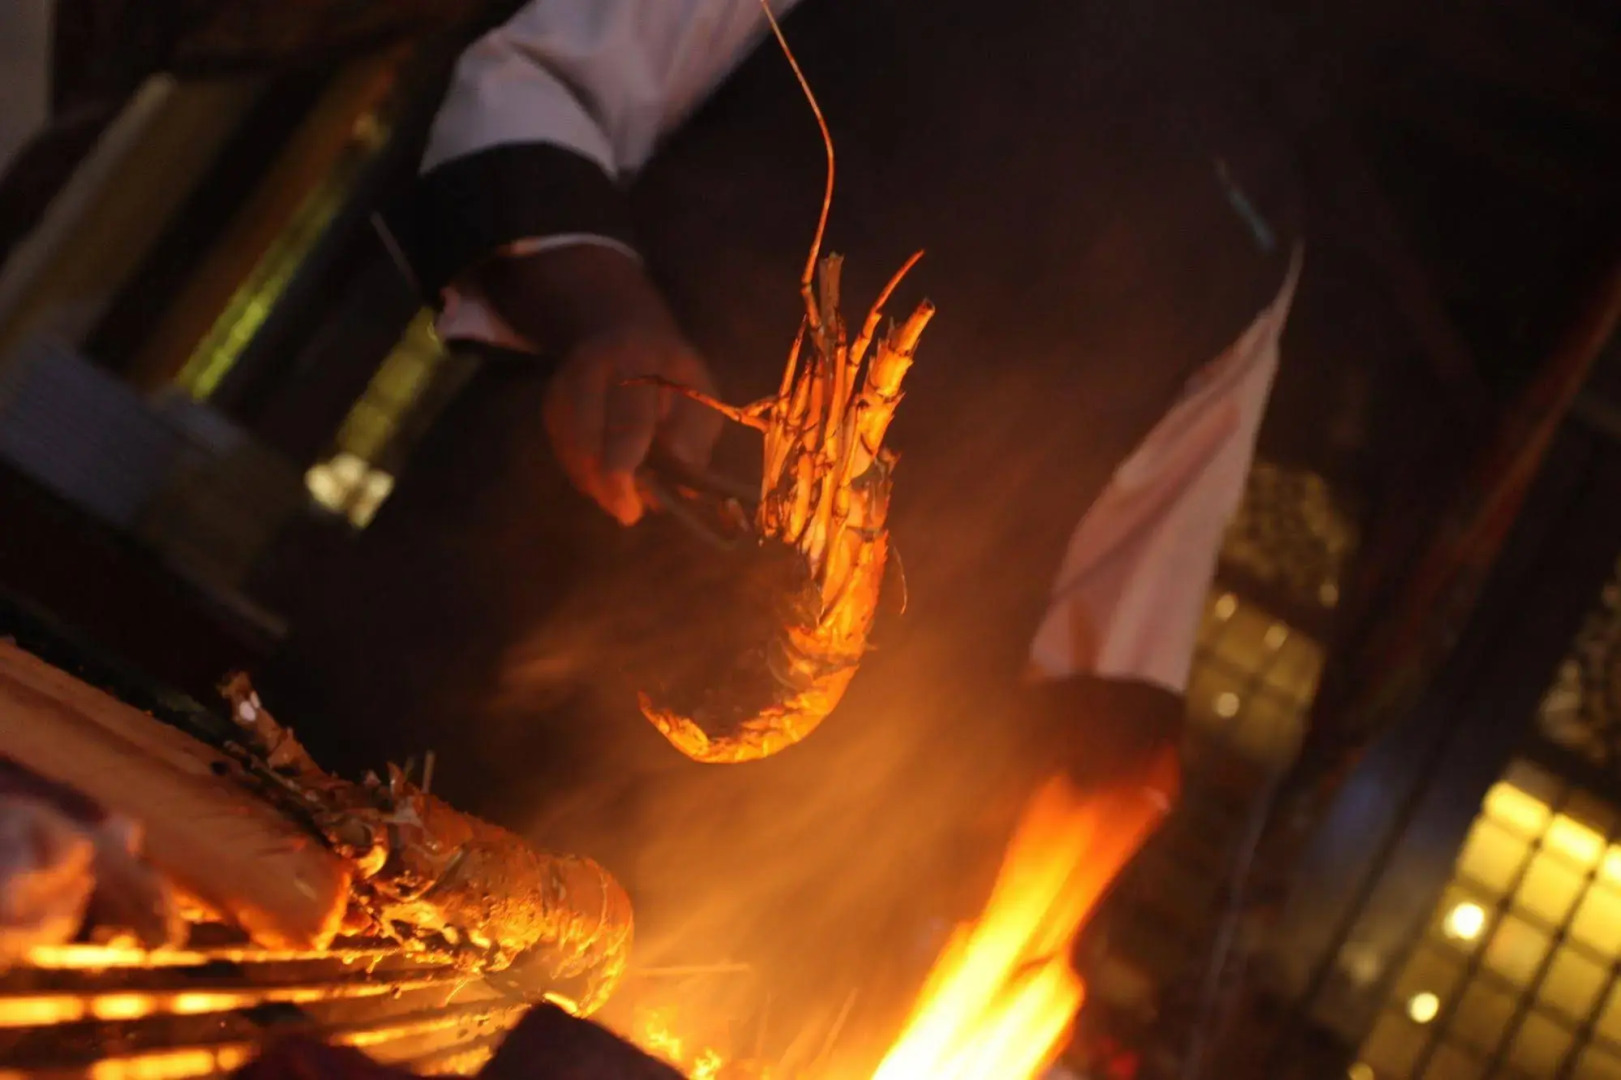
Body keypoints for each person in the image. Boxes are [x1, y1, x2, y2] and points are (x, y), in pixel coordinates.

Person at [273, 0, 1303, 1058]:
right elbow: (532, 89)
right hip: (470, 661)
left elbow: (1111, 671)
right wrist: (613, 316)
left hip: (759, 885)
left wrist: (1034, 925)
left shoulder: (1252, 227)